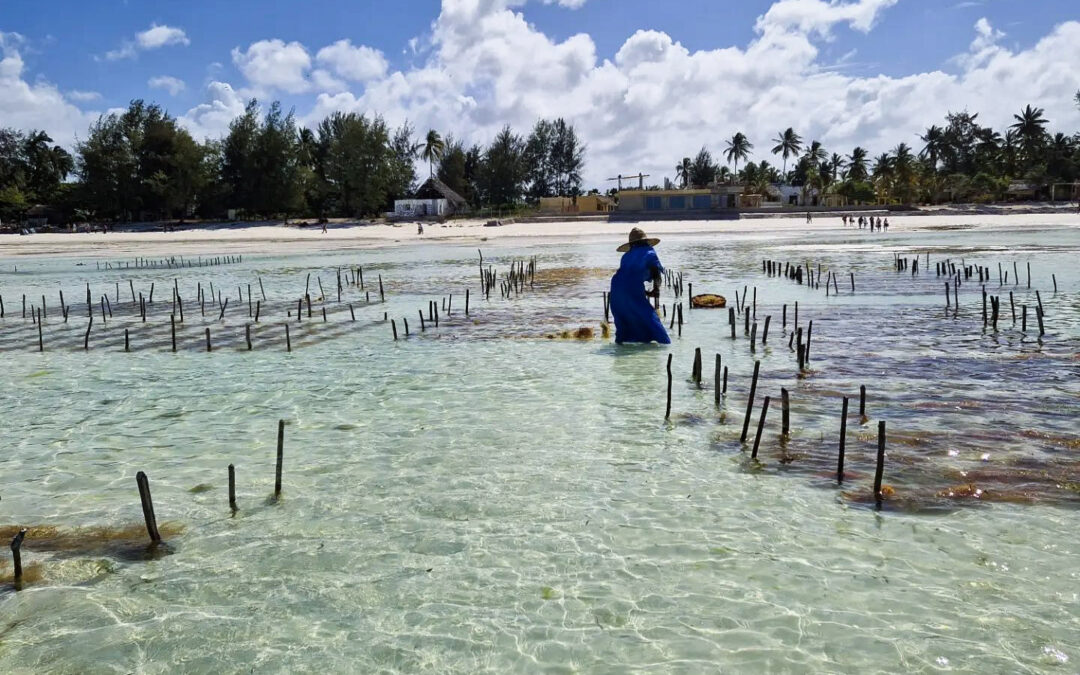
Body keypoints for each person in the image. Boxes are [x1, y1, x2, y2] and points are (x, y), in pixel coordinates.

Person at [609, 228, 670, 345]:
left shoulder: (626, 256)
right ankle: (665, 345)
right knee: (650, 320)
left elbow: (627, 276)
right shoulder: (650, 252)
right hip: (630, 288)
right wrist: (656, 290)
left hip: (616, 288)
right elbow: (656, 272)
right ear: (645, 241)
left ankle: (621, 351)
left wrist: (646, 292)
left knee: (623, 320)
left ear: (631, 244)